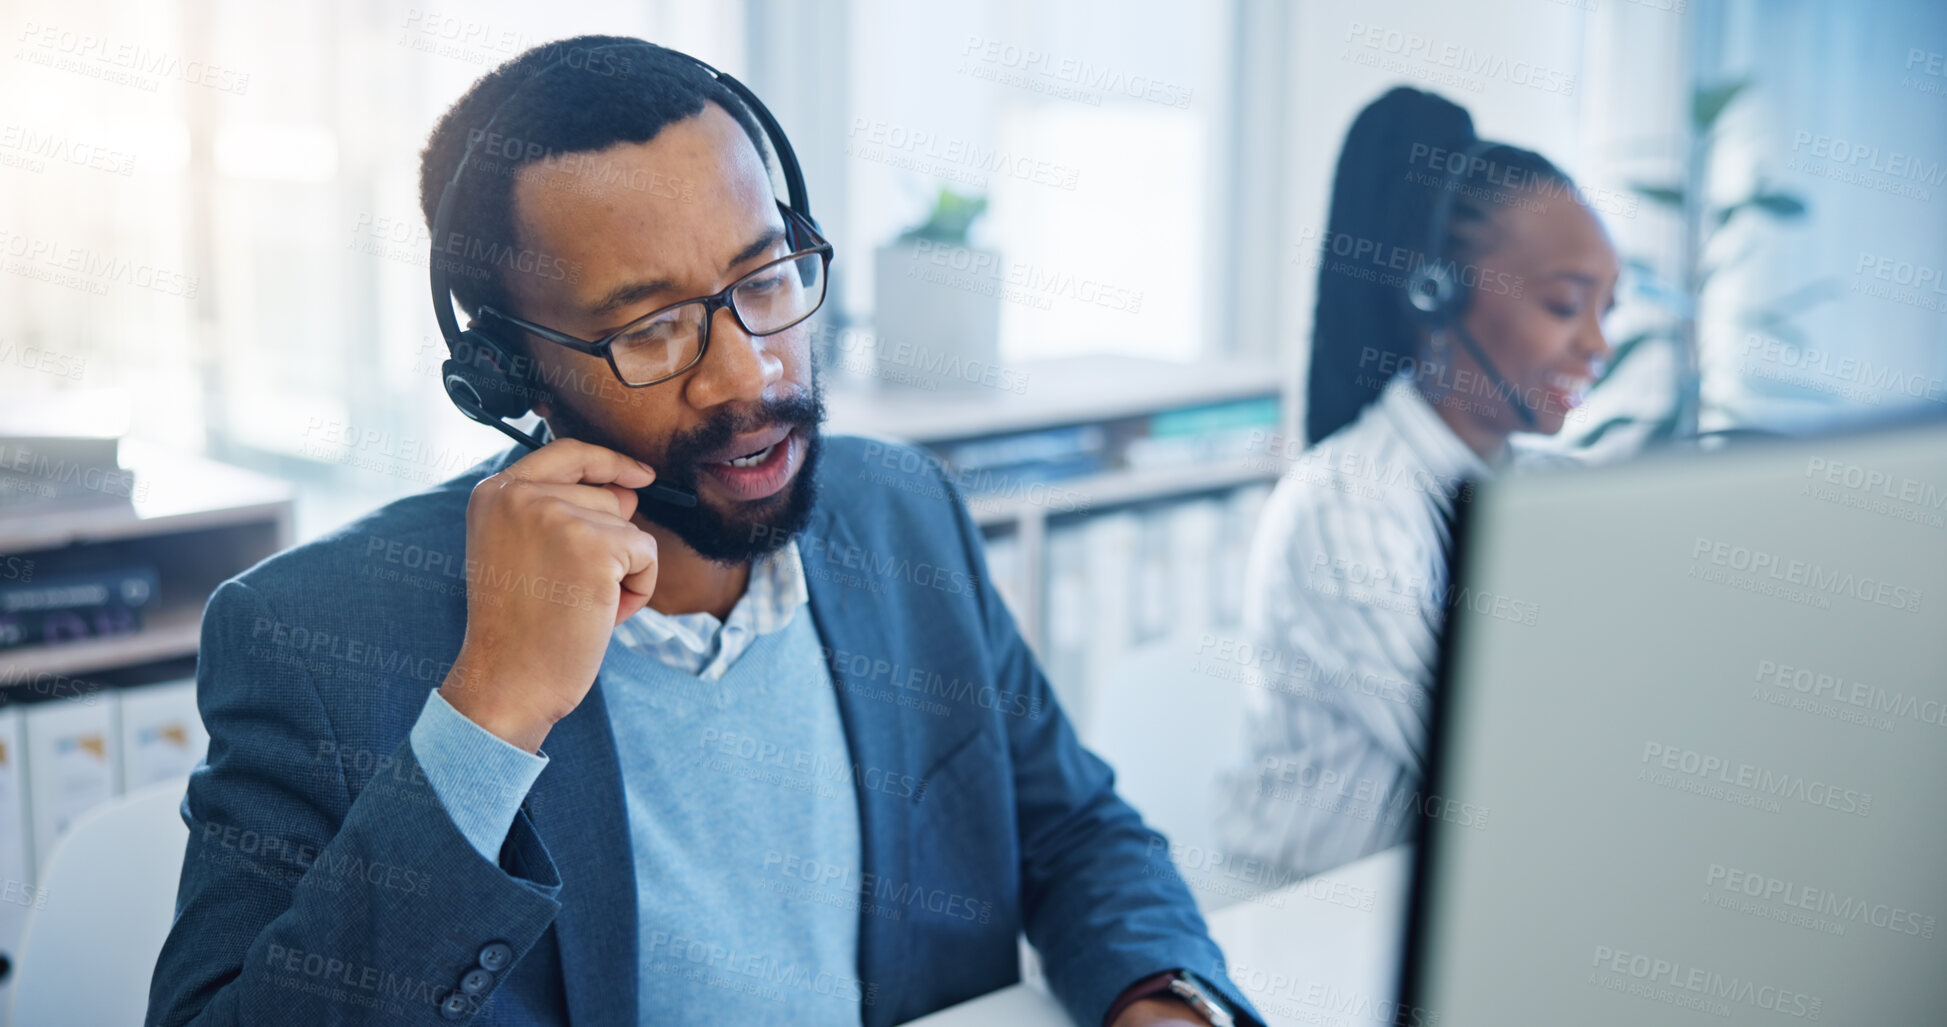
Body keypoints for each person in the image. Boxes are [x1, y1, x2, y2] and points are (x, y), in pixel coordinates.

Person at [148, 36, 1260, 1027]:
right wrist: (491, 709)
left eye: (766, 278)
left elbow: (1070, 830)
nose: (751, 371)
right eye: (655, 327)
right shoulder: (312, 635)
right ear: (505, 372)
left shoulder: (900, 510)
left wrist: (1160, 996)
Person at [1218, 86, 1619, 879]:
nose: (1597, 341)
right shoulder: (1347, 502)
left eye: (1609, 306)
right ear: (1437, 291)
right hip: (1307, 938)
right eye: (1565, 303)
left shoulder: (1539, 488)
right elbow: (1501, 762)